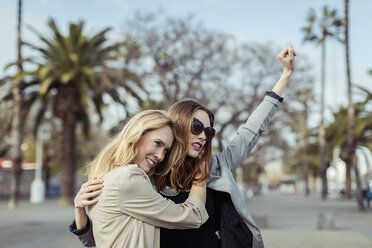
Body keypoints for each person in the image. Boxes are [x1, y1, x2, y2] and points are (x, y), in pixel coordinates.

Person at [70, 45, 296, 248]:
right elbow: (96, 241)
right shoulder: (148, 172)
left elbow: (250, 131)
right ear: (179, 126)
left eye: (209, 132)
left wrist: (284, 77)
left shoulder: (216, 166)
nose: (203, 136)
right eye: (196, 126)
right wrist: (80, 210)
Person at [76, 109, 208, 248]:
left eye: (165, 151)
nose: (160, 156)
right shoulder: (128, 178)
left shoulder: (110, 175)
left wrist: (79, 209)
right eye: (157, 143)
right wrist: (201, 174)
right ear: (138, 135)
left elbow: (92, 242)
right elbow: (193, 216)